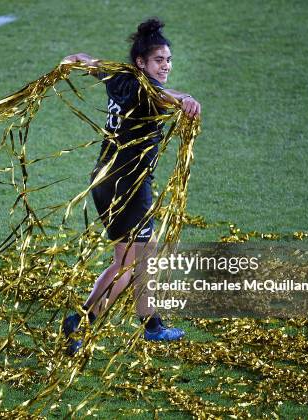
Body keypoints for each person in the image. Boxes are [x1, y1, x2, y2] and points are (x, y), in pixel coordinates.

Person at [61, 18, 201, 354]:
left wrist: (76, 61)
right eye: (159, 60)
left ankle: (147, 322)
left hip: (104, 179)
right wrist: (186, 98)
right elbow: (166, 96)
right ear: (142, 62)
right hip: (130, 187)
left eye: (168, 60)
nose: (165, 66)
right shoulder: (146, 90)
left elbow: (87, 62)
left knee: (135, 257)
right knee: (130, 263)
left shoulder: (120, 76)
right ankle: (83, 321)